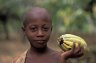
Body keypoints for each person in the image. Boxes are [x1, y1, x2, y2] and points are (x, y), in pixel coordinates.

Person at [12, 7, 83, 63]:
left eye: (45, 28)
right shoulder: (18, 61)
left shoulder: (60, 57)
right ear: (24, 31)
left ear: (51, 29)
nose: (40, 34)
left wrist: (62, 59)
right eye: (33, 29)